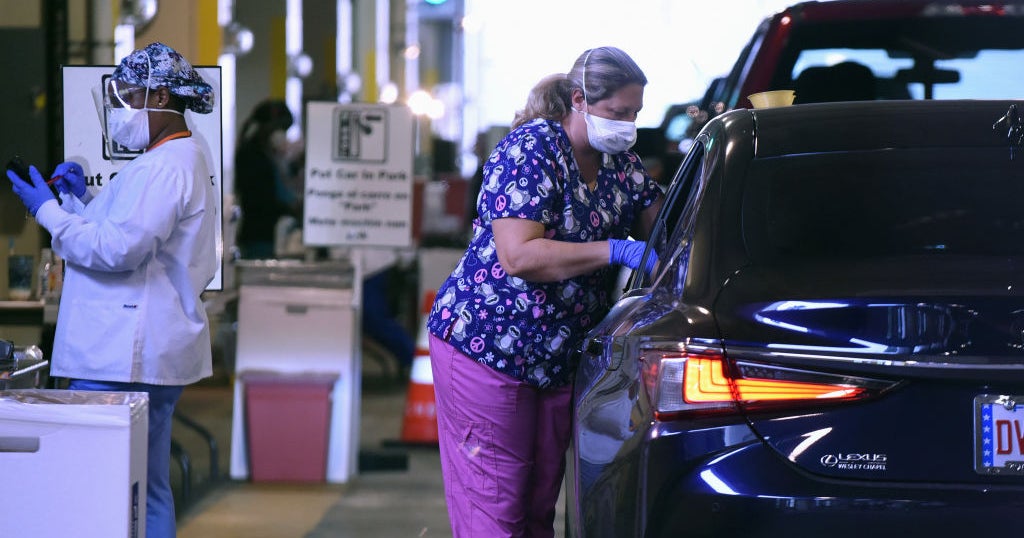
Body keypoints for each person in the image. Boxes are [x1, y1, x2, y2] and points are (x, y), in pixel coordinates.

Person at [426, 46, 664, 537]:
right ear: (579, 100)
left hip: (558, 356)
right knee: (496, 507)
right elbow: (519, 255)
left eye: (635, 114)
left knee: (539, 506)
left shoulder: (620, 162)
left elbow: (664, 225)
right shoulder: (532, 149)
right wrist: (615, 250)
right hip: (489, 346)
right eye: (618, 112)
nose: (628, 124)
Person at [6, 42, 217, 538]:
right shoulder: (175, 156)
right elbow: (133, 230)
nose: (121, 108)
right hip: (140, 350)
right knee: (146, 486)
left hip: (123, 356)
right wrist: (83, 198)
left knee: (103, 487)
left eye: (128, 96)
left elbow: (119, 250)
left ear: (161, 96)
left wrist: (47, 211)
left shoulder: (166, 165)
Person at [234, 99, 302, 258]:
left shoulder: (269, 156)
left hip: (269, 234)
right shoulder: (251, 155)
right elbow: (260, 199)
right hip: (259, 236)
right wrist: (290, 208)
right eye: (281, 129)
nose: (282, 135)